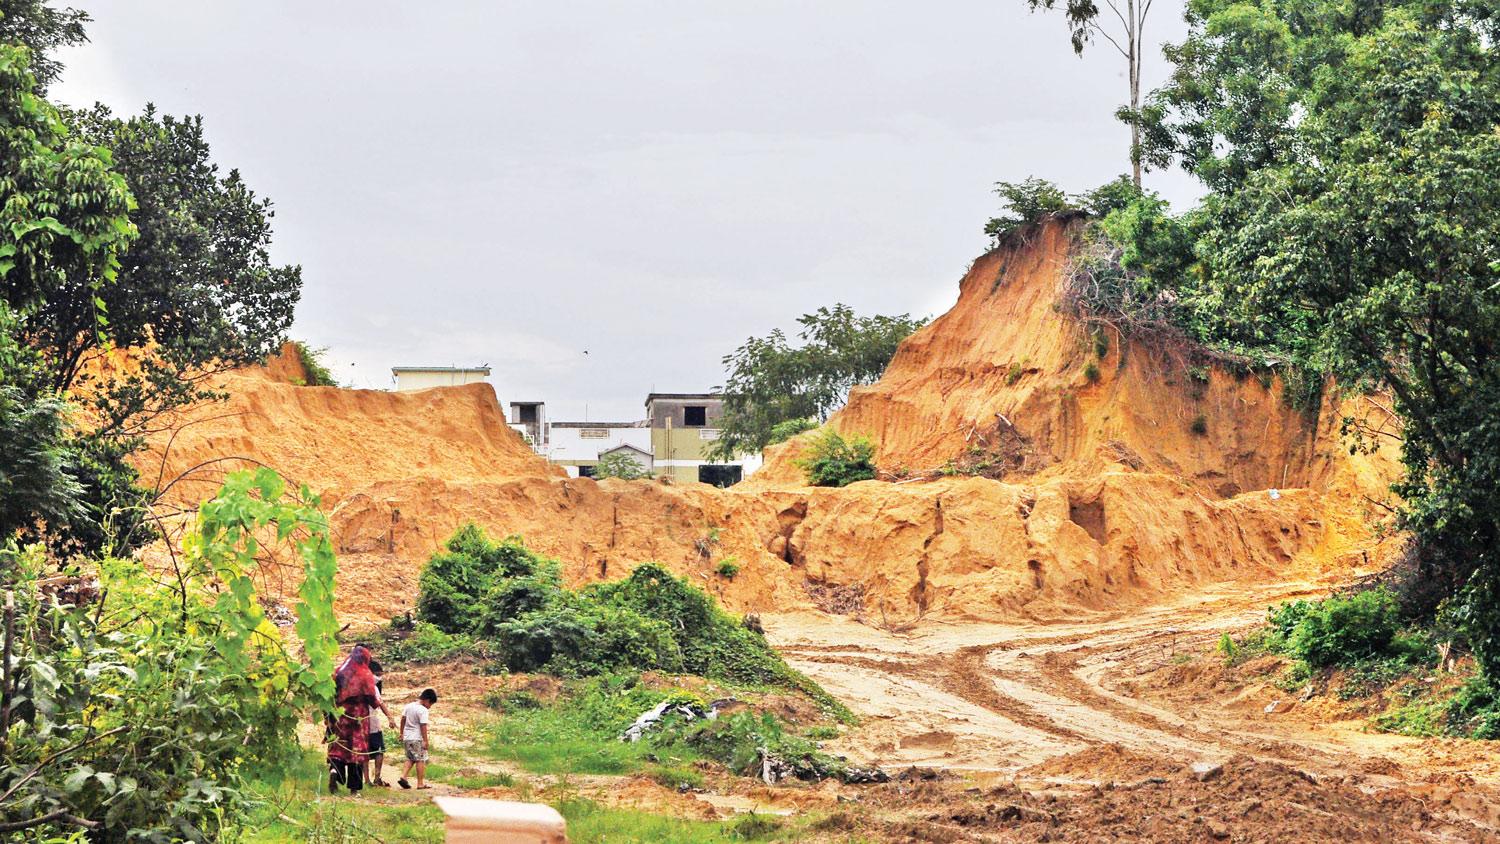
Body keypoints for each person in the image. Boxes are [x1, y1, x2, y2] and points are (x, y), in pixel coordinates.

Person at [326, 644, 379, 795]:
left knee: (339, 747)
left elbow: (330, 692)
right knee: (357, 750)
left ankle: (334, 771)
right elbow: (372, 698)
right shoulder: (365, 674)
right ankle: (354, 790)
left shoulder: (339, 671)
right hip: (358, 717)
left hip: (340, 715)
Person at [397, 688, 438, 790]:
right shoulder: (423, 710)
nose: (430, 707)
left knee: (410, 758)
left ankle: (403, 776)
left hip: (407, 737)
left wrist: (401, 733)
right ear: (427, 700)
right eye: (430, 704)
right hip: (416, 738)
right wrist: (425, 740)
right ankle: (420, 783)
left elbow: (403, 719)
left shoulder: (409, 706)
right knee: (420, 760)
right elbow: (423, 726)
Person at [363, 659, 395, 787]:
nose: (379, 677)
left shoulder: (357, 685)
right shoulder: (373, 688)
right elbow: (380, 703)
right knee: (379, 750)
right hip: (373, 724)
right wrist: (390, 717)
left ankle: (367, 780)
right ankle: (376, 778)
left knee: (364, 752)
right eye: (378, 674)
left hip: (361, 724)